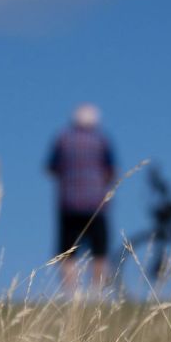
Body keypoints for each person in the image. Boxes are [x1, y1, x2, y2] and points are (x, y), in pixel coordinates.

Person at [47, 103, 116, 292]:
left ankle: (71, 293)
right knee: (100, 251)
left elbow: (51, 167)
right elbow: (111, 169)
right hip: (97, 205)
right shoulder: (101, 140)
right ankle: (96, 292)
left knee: (67, 252)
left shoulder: (62, 139)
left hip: (68, 204)